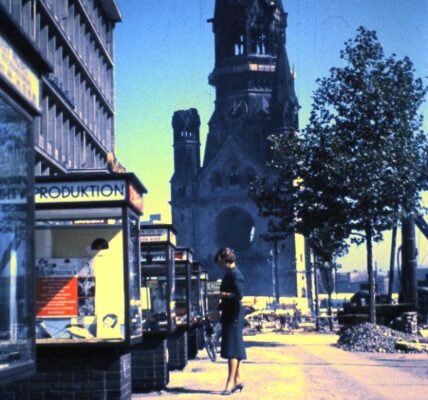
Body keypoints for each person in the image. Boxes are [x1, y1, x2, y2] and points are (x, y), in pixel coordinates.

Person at [215, 247, 246, 395]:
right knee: (233, 348)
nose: (221, 267)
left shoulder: (235, 275)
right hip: (230, 315)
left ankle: (230, 383)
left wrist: (224, 294)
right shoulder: (230, 274)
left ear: (227, 260)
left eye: (221, 263)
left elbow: (239, 295)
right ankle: (238, 379)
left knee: (232, 350)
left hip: (234, 315)